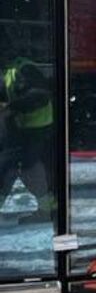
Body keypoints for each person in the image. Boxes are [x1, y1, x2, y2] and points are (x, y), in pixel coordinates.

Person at [0, 30, 55, 223]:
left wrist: (12, 107)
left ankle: (48, 209)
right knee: (27, 170)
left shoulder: (24, 69)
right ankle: (48, 208)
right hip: (21, 130)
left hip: (36, 128)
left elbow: (40, 96)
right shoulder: (7, 70)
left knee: (8, 166)